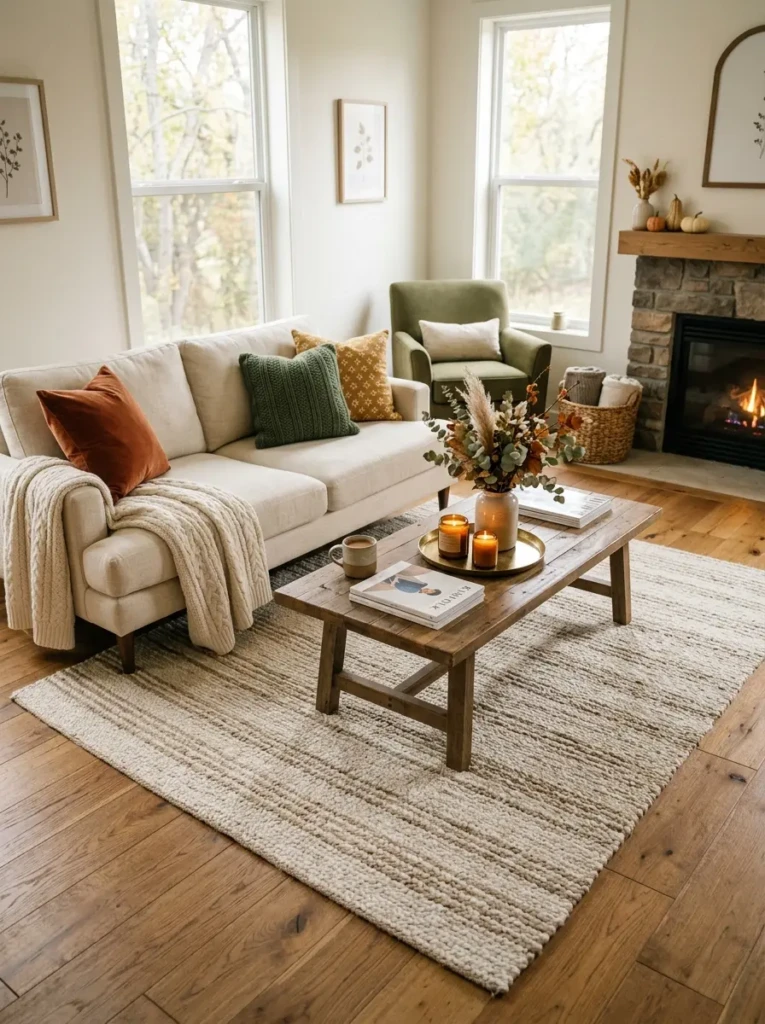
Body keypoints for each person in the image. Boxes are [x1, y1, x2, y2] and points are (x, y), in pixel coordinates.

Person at [366, 564, 442, 597]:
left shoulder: (414, 590)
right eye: (431, 590)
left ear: (427, 594)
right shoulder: (421, 584)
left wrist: (396, 579)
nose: (429, 590)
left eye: (430, 592)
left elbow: (399, 586)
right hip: (396, 576)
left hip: (392, 579)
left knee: (374, 574)